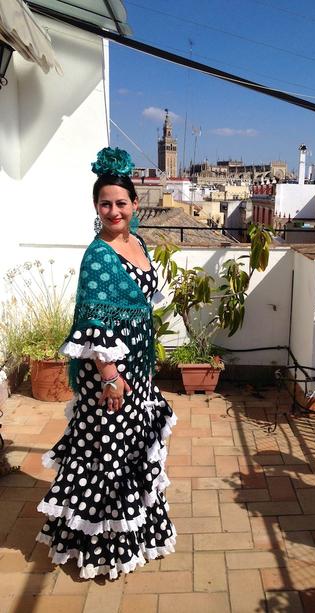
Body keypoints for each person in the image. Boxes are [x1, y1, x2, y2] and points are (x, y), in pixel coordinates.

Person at [36, 147, 177, 579]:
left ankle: (135, 532)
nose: (113, 210)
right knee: (108, 454)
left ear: (135, 205)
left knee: (132, 449)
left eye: (120, 203)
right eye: (105, 203)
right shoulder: (98, 256)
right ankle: (103, 547)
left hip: (137, 365)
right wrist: (111, 377)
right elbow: (95, 323)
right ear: (96, 208)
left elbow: (146, 299)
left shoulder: (137, 243)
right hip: (110, 373)